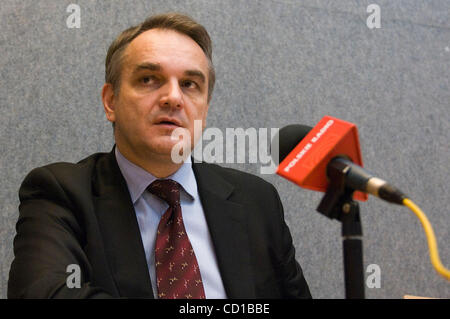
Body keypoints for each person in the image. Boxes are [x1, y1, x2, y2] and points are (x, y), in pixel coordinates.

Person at [8, 12, 311, 299]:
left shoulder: (256, 201)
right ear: (111, 101)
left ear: (205, 109)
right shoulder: (60, 192)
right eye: (149, 79)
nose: (174, 98)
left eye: (190, 84)